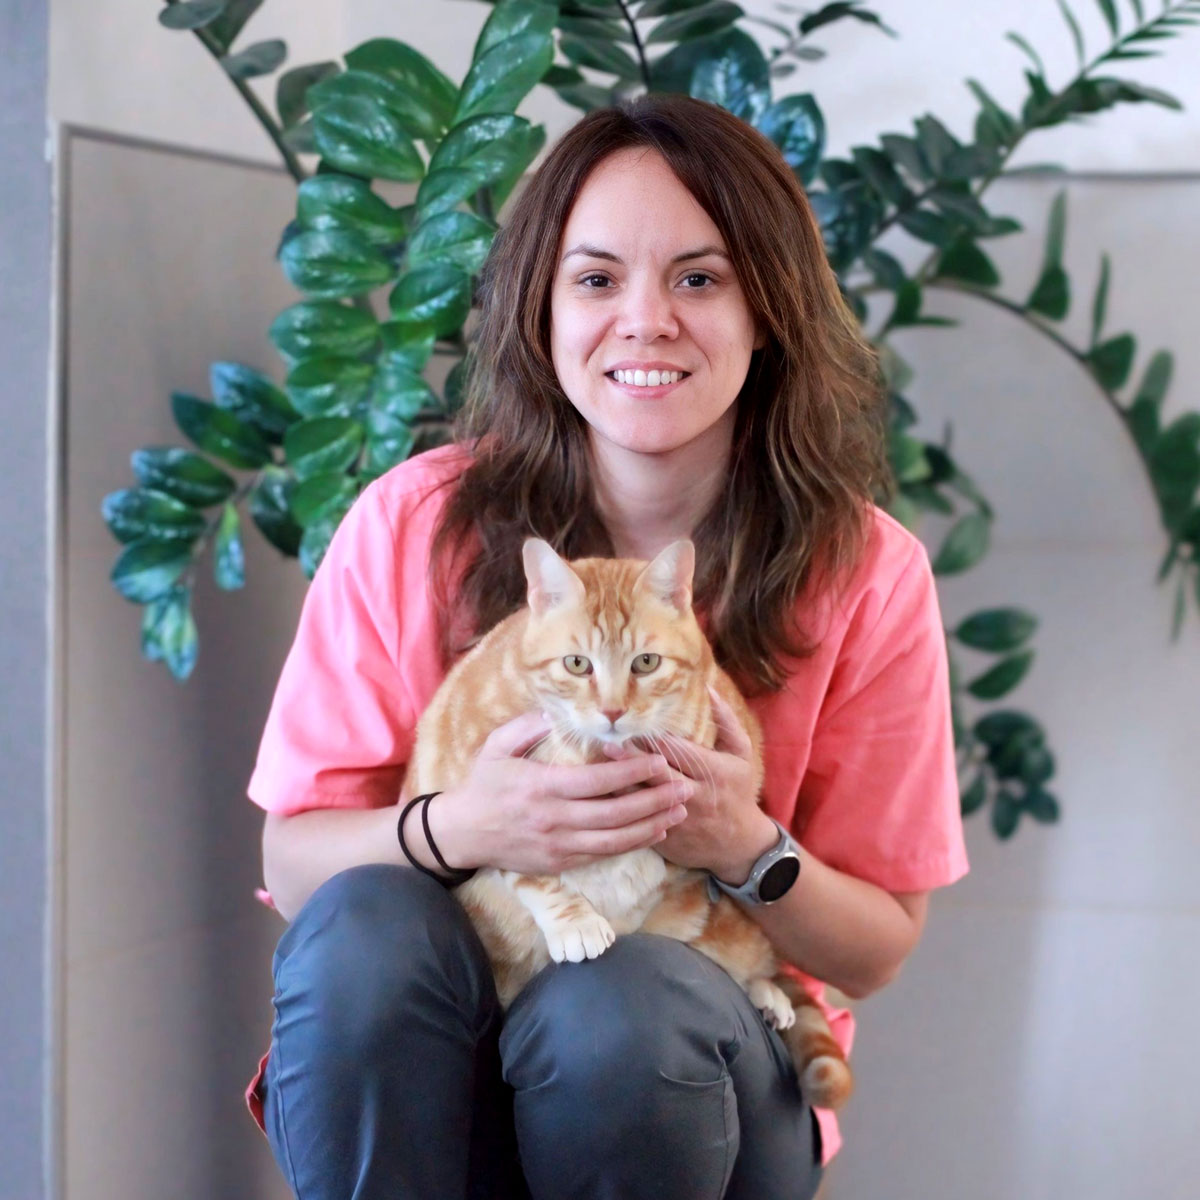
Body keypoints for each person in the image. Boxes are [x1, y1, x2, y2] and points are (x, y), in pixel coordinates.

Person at [244, 94, 969, 1200]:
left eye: (699, 278)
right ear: (540, 311)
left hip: (694, 1080)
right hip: (442, 1064)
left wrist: (740, 841)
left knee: (613, 1008)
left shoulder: (863, 571)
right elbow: (293, 866)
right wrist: (468, 825)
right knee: (363, 924)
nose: (644, 320)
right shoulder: (412, 524)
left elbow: (874, 950)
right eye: (594, 279)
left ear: (768, 310)